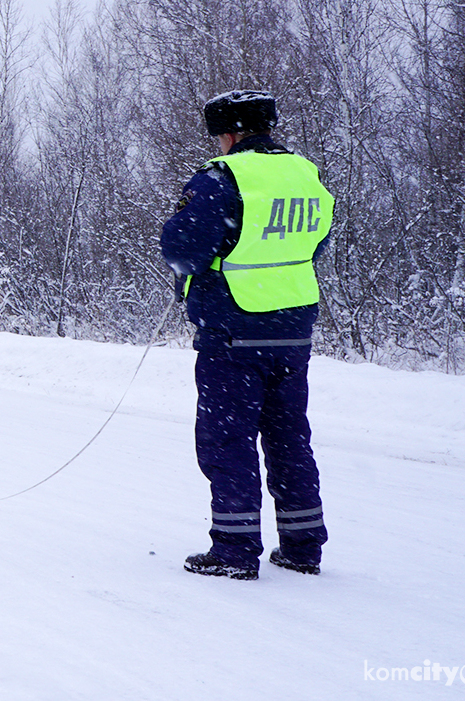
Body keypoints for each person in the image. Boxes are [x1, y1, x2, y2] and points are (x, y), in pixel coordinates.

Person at [161, 90, 333, 580]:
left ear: (230, 132)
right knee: (289, 438)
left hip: (234, 327)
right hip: (294, 326)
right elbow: (314, 241)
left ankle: (235, 550)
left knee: (228, 439)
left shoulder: (223, 177)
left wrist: (200, 264)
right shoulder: (305, 174)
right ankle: (303, 548)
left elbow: (182, 244)